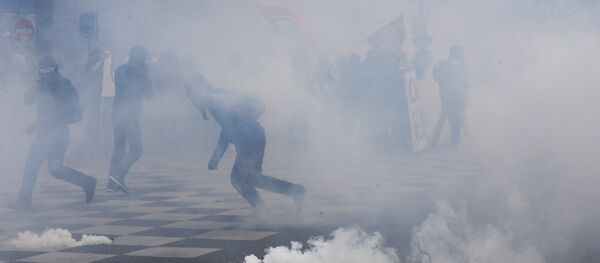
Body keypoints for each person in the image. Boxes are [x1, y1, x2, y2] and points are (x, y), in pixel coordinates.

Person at [184, 74, 306, 214]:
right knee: (251, 178)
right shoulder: (214, 100)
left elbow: (228, 129)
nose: (190, 98)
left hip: (251, 140)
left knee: (238, 180)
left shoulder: (216, 101)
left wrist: (216, 157)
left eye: (191, 93)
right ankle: (293, 191)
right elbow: (229, 128)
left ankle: (264, 208)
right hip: (251, 139)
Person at [16, 56, 97, 209]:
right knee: (54, 169)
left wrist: (35, 125)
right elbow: (27, 100)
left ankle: (23, 201)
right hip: (54, 133)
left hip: (53, 132)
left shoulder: (63, 86)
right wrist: (34, 87)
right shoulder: (44, 84)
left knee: (34, 165)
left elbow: (58, 112)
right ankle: (87, 182)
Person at [107, 46, 152, 193]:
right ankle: (117, 175)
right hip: (130, 115)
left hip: (117, 113)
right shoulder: (140, 71)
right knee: (136, 149)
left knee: (119, 147)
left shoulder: (120, 69)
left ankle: (111, 183)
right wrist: (147, 73)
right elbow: (148, 92)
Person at [431, 46, 470, 148]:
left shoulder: (449, 64)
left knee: (449, 118)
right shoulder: (451, 64)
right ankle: (451, 142)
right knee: (450, 118)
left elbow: (464, 82)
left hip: (454, 95)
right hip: (452, 96)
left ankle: (443, 141)